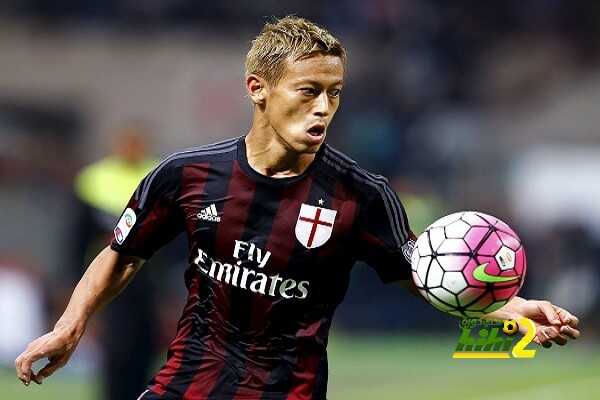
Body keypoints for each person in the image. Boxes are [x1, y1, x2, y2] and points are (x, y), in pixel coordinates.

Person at [15, 16, 580, 400]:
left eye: (334, 93)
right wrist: (69, 328)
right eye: (308, 91)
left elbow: (426, 276)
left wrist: (508, 309)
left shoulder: (361, 195)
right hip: (187, 383)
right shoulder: (185, 175)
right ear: (258, 88)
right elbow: (121, 254)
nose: (324, 107)